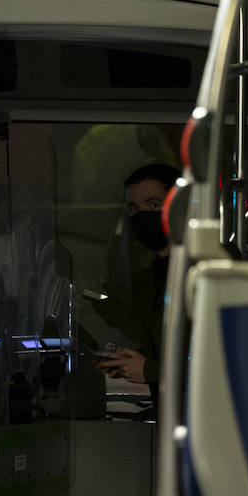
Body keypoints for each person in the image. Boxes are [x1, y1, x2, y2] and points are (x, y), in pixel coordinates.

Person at [97, 162, 178, 394]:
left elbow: (218, 357)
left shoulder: (210, 265)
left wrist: (150, 370)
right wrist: (129, 361)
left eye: (153, 204)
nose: (142, 215)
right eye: (134, 209)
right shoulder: (151, 274)